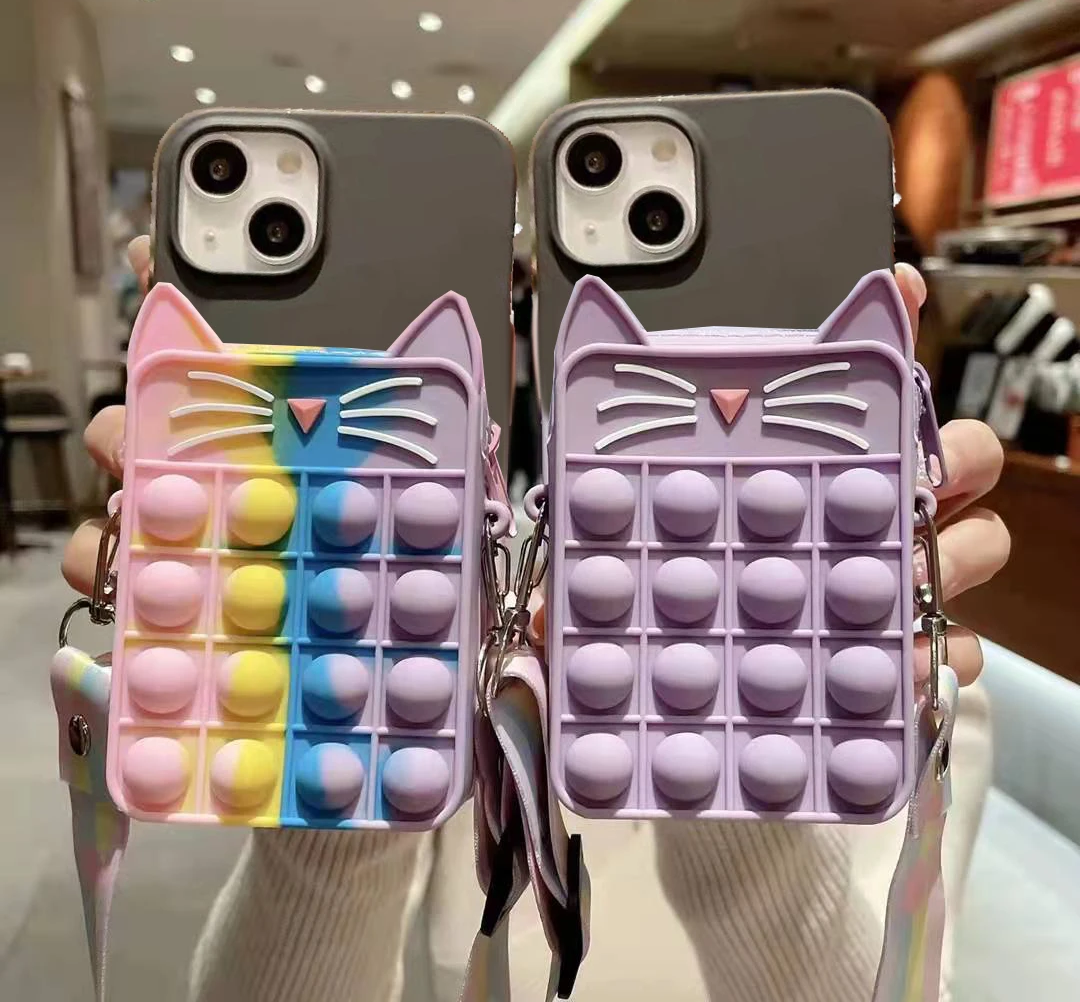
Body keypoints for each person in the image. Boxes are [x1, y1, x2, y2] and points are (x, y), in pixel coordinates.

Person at [62, 238, 1008, 1002]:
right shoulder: (463, 614)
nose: (723, 397)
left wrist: (734, 736)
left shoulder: (913, 677)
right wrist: (345, 715)